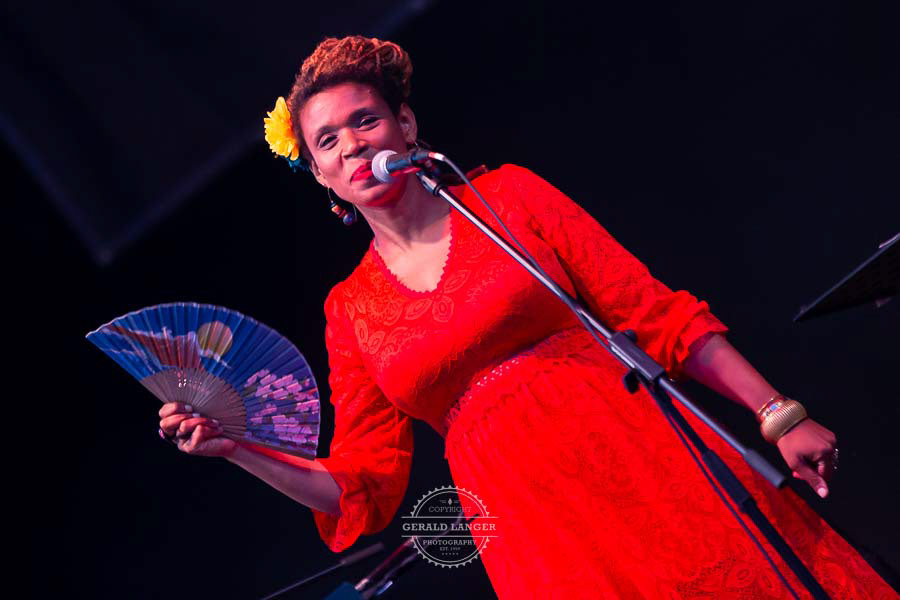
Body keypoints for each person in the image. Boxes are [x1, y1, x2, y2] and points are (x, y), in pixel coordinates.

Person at [157, 36, 896, 598]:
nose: (352, 143)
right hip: (533, 528)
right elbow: (361, 484)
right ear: (321, 174)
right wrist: (238, 448)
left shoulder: (505, 197)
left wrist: (777, 413)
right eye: (328, 140)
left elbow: (654, 313)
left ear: (404, 124)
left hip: (643, 455)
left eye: (366, 120)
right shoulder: (348, 309)